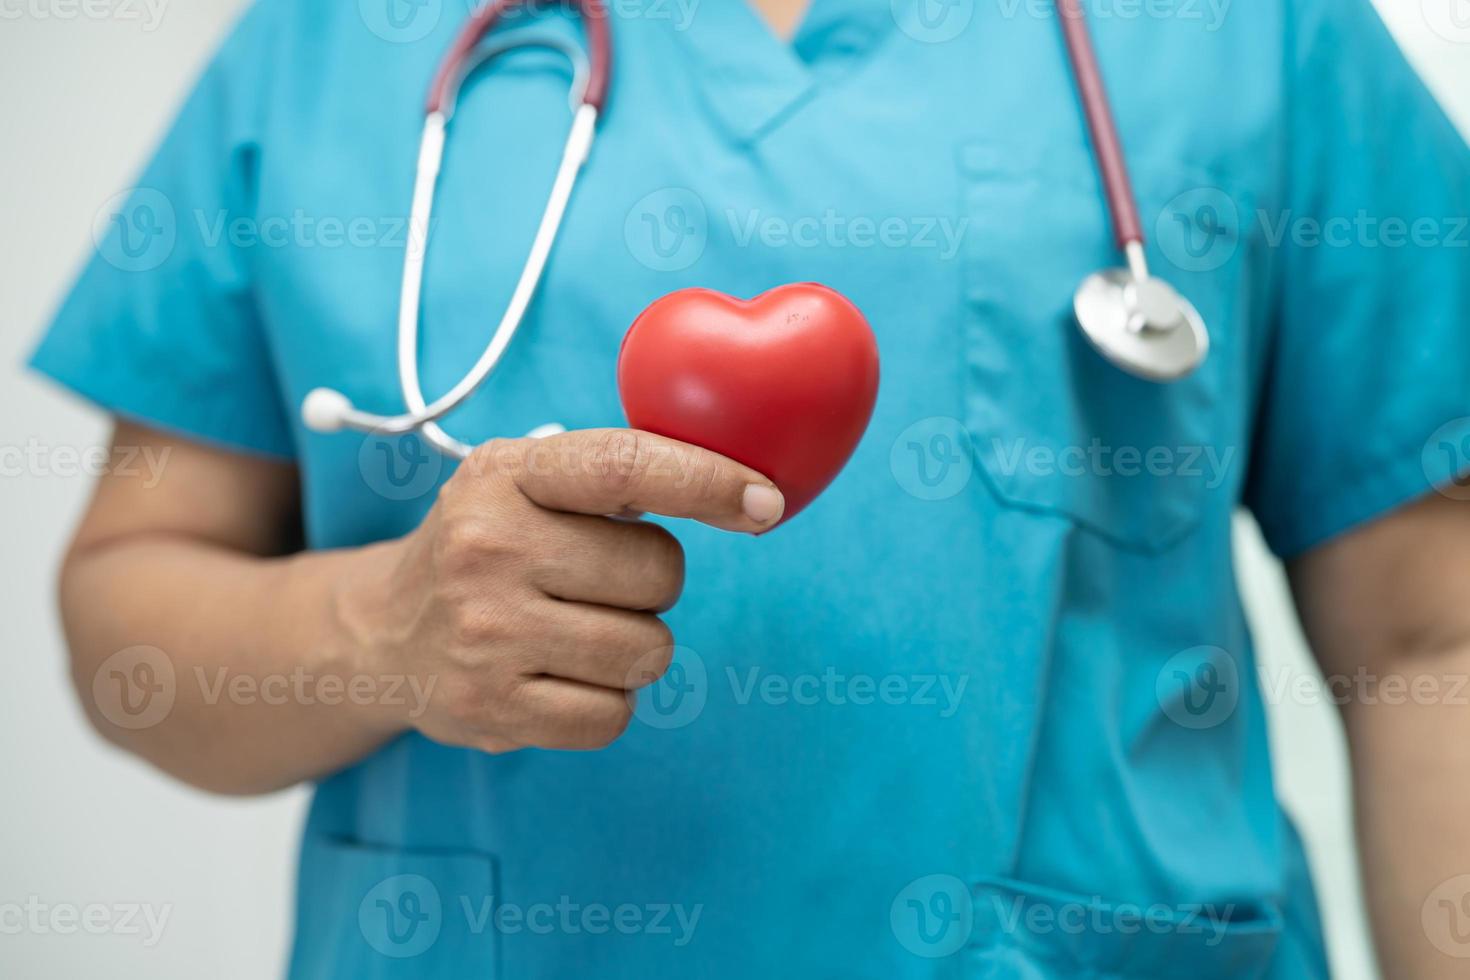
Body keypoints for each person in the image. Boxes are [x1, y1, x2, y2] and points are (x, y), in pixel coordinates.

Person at [31, 0, 1470, 975]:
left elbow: (1431, 634)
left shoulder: (1250, 30)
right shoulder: (330, 41)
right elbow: (129, 610)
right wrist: (380, 628)